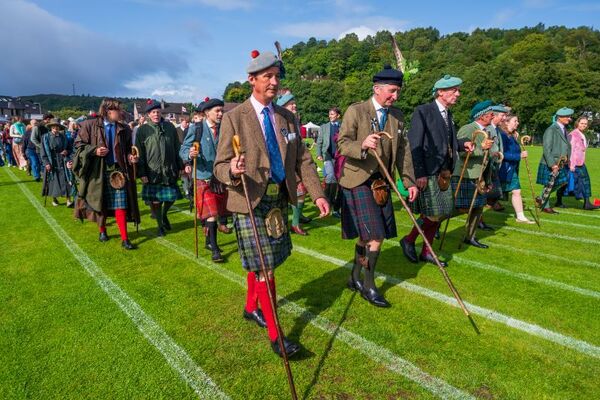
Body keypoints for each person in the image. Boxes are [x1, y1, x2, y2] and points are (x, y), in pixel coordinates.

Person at [214, 50, 329, 357]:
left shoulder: (288, 118)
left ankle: (251, 308)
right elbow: (219, 165)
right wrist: (232, 170)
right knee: (265, 267)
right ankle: (277, 336)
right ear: (252, 80)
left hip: (278, 197)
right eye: (268, 76)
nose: (275, 82)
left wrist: (317, 193)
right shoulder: (233, 117)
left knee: (265, 263)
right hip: (249, 199)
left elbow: (303, 160)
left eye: (277, 76)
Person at [337, 64, 417, 307]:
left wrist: (409, 181)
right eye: (392, 91)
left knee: (365, 237)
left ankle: (354, 277)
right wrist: (362, 144)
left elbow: (403, 152)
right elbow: (342, 143)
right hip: (357, 179)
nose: (396, 96)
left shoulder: (398, 116)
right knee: (376, 236)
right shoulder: (356, 110)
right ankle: (369, 286)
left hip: (382, 184)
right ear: (377, 89)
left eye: (398, 92)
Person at [402, 75, 472, 267]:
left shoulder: (448, 114)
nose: (458, 94)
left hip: (444, 172)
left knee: (440, 213)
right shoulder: (423, 111)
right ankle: (409, 241)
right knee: (433, 214)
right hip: (429, 171)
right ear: (440, 92)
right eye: (454, 90)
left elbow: (445, 141)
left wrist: (461, 144)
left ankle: (426, 251)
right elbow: (415, 144)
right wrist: (420, 173)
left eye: (458, 90)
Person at [73, 98, 140, 250]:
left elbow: (129, 148)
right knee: (100, 203)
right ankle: (102, 231)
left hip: (118, 172)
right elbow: (78, 146)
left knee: (120, 205)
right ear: (109, 111)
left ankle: (125, 239)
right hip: (98, 171)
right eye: (119, 110)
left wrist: (131, 156)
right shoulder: (89, 126)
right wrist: (94, 150)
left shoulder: (124, 129)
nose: (122, 113)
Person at [180, 98, 228, 262]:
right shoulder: (197, 128)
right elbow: (184, 148)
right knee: (212, 213)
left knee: (217, 212)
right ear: (207, 113)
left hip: (219, 177)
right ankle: (215, 249)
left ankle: (208, 241)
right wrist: (189, 154)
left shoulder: (224, 129)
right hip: (202, 176)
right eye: (217, 111)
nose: (221, 113)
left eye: (222, 110)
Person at [136, 99, 184, 237]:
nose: (156, 114)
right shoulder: (142, 130)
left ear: (160, 112)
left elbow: (177, 147)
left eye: (157, 111)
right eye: (153, 112)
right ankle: (159, 225)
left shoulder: (169, 127)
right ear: (148, 115)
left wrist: (180, 165)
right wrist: (142, 172)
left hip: (169, 169)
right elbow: (139, 152)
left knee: (171, 197)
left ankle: (164, 215)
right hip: (153, 172)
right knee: (156, 201)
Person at [451, 100, 495, 248]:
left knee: (478, 207)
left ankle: (470, 237)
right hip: (466, 174)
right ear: (481, 116)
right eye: (490, 113)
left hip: (480, 176)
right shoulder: (468, 129)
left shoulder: (487, 130)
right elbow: (461, 151)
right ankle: (433, 224)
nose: (492, 115)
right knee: (456, 208)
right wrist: (481, 148)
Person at [276, 92, 312, 235]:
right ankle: (291, 223)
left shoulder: (294, 120)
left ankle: (297, 219)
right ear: (284, 106)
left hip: (296, 162)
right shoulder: (280, 120)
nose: (295, 105)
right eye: (291, 103)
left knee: (301, 191)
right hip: (283, 165)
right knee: (292, 194)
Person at [498, 114, 535, 223]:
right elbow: (502, 154)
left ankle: (520, 216)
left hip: (511, 169)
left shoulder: (512, 136)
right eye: (515, 121)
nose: (517, 123)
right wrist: (519, 156)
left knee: (516, 191)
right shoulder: (502, 135)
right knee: (490, 193)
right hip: (502, 169)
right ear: (507, 122)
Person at [536, 107, 573, 214]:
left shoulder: (563, 129)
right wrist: (552, 164)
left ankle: (541, 198)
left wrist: (567, 159)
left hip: (561, 162)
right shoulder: (551, 129)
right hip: (552, 163)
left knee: (561, 182)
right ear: (560, 117)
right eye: (567, 117)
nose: (569, 119)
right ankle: (545, 205)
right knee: (550, 184)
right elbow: (547, 149)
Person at [41, 119, 73, 206]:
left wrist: (66, 151)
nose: (55, 128)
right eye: (54, 127)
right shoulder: (45, 137)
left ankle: (68, 200)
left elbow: (70, 149)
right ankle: (54, 199)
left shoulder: (63, 136)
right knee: (53, 181)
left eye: (57, 127)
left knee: (66, 180)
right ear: (51, 127)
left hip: (63, 161)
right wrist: (46, 163)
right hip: (52, 162)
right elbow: (43, 152)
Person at [317, 107, 343, 218]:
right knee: (330, 177)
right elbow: (319, 142)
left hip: (340, 156)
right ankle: (328, 199)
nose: (330, 116)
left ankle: (334, 202)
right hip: (327, 155)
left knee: (338, 180)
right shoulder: (323, 127)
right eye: (329, 114)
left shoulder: (343, 126)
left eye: (332, 114)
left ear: (338, 116)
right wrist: (319, 154)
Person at [568, 116, 599, 210]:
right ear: (577, 123)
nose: (584, 125)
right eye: (582, 123)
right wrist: (571, 165)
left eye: (585, 124)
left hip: (580, 162)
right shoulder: (573, 134)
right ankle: (587, 204)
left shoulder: (581, 134)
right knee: (581, 182)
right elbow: (571, 150)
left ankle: (587, 203)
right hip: (575, 163)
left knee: (583, 182)